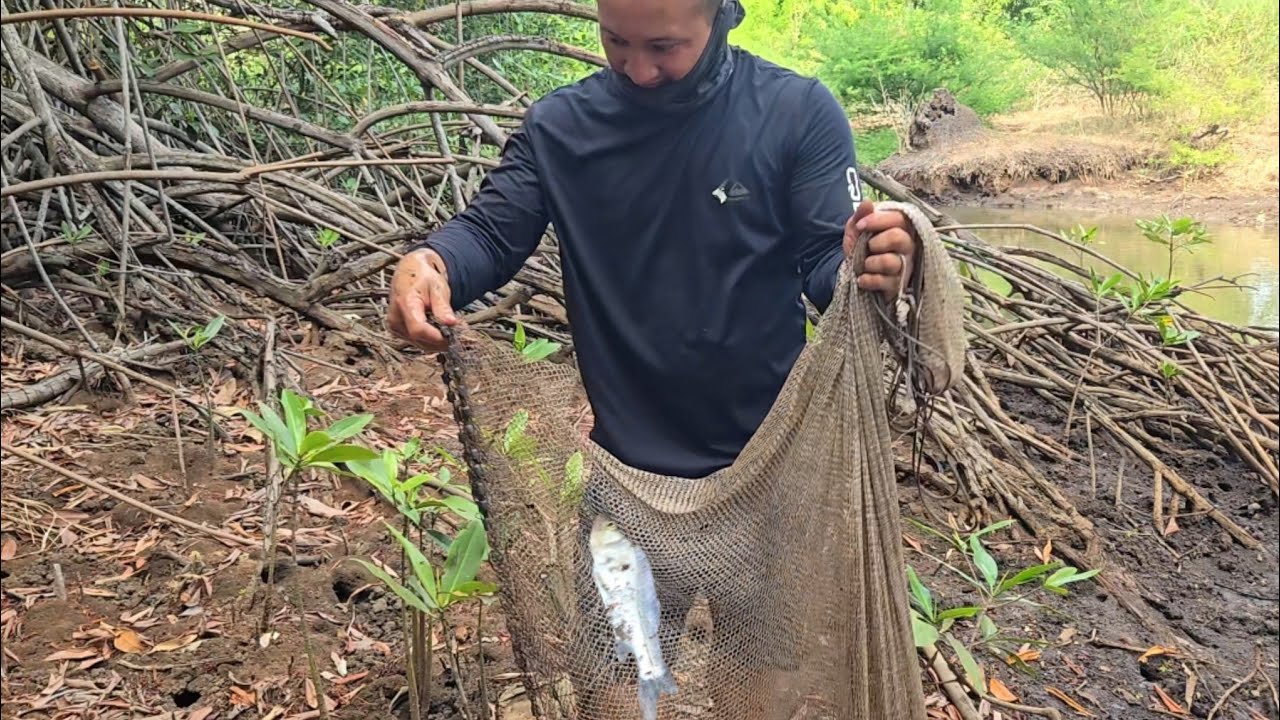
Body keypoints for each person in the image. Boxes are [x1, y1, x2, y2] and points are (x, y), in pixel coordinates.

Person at [386, 0, 925, 716]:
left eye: (665, 47)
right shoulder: (562, 130)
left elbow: (826, 267)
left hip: (766, 471)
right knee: (617, 686)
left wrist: (878, 265)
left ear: (724, 17)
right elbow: (490, 231)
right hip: (626, 477)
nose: (639, 69)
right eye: (616, 42)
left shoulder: (794, 113)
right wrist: (431, 263)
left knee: (760, 685)